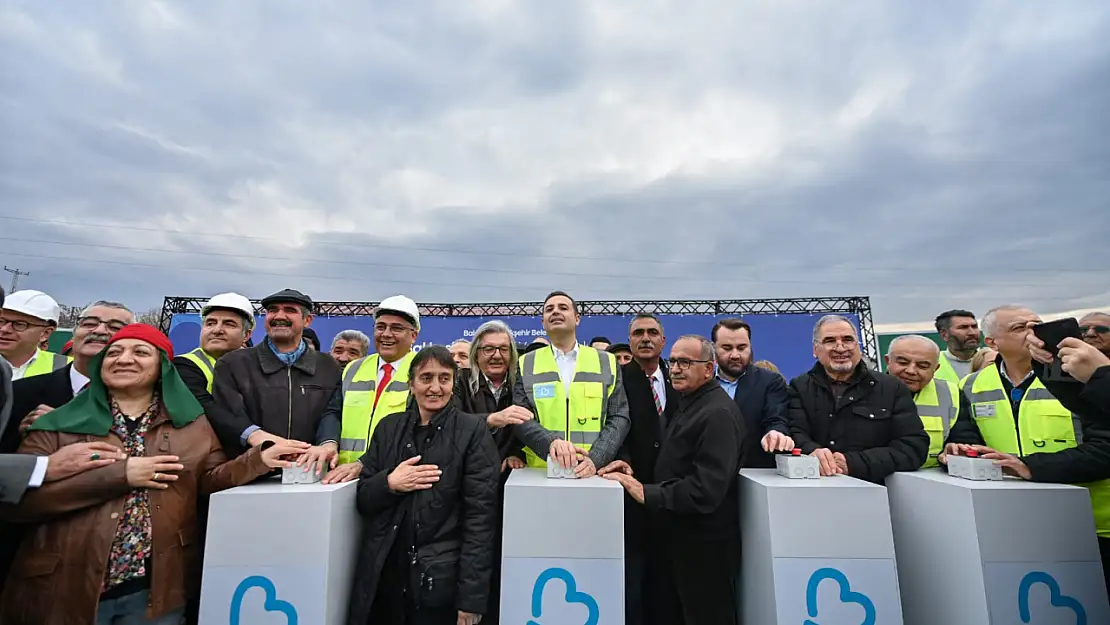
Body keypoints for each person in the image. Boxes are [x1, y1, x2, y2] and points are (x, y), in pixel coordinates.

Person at [0, 324, 303, 624]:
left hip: (156, 592)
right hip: (62, 592)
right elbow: (18, 504)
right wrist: (120, 476)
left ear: (162, 368)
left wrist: (258, 459)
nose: (124, 359)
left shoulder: (191, 425)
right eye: (114, 352)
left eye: (140, 352)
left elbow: (208, 480)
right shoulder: (57, 423)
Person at [946, 305, 1110, 591]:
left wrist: (1029, 465)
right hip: (1014, 523)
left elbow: (1104, 448)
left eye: (1037, 325)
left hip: (1092, 523)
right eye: (1019, 328)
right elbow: (967, 437)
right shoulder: (971, 385)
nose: (1032, 333)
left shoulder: (1074, 378)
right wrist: (958, 450)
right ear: (992, 342)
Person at [346, 346, 499, 625]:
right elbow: (364, 498)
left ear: (454, 383)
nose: (435, 387)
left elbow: (481, 521)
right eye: (426, 378)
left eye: (444, 378)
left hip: (440, 584)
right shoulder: (388, 427)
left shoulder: (472, 433)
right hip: (386, 578)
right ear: (411, 384)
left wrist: (471, 600)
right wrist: (390, 482)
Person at [604, 335, 744, 625]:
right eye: (673, 361)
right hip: (678, 542)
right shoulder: (688, 404)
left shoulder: (717, 414)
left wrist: (648, 493)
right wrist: (633, 471)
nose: (676, 369)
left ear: (709, 369)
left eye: (685, 362)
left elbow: (706, 490)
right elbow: (674, 463)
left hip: (703, 551)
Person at [598, 313, 678, 625]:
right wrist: (625, 460)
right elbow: (611, 426)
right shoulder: (617, 378)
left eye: (652, 332)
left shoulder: (677, 376)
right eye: (638, 333)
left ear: (663, 340)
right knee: (633, 579)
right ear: (630, 341)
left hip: (672, 494)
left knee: (668, 578)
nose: (645, 338)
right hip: (630, 493)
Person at [451, 321, 531, 625]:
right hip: (464, 483)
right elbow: (452, 424)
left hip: (506, 486)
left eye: (502, 348)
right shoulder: (460, 380)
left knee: (501, 556)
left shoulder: (520, 384)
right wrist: (492, 419)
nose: (496, 355)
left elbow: (531, 426)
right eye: (488, 349)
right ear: (476, 353)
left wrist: (516, 452)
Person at [788, 315, 928, 482]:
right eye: (830, 341)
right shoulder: (799, 387)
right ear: (815, 350)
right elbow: (795, 433)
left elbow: (913, 447)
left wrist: (853, 463)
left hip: (876, 492)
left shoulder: (891, 388)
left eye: (848, 340)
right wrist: (811, 451)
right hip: (813, 488)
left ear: (858, 346)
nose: (840, 348)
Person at [512, 291, 629, 476]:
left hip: (592, 472)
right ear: (543, 322)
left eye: (563, 308)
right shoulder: (526, 363)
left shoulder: (606, 362)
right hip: (540, 472)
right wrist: (551, 443)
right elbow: (520, 417)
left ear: (577, 319)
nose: (555, 312)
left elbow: (619, 416)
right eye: (549, 309)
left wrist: (596, 459)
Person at [210, 289, 336, 457]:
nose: (279, 316)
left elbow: (332, 412)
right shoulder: (232, 363)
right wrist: (264, 443)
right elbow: (229, 416)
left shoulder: (328, 366)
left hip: (310, 472)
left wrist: (327, 444)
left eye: (290, 310)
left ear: (307, 320)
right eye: (273, 310)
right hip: (250, 472)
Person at [311, 295, 421, 482]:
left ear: (414, 335)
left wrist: (365, 463)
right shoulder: (354, 369)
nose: (386, 334)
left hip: (394, 477)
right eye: (381, 327)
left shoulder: (422, 370)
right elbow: (334, 412)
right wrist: (328, 442)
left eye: (396, 328)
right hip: (344, 476)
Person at [5, 301, 136, 450]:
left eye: (115, 327)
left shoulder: (151, 403)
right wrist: (22, 435)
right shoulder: (18, 392)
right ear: (74, 335)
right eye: (89, 324)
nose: (99, 330)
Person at [711, 318, 792, 468]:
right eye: (727, 348)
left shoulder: (770, 382)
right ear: (714, 348)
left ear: (750, 347)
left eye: (742, 348)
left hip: (752, 473)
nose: (735, 355)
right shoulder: (701, 382)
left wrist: (775, 433)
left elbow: (776, 418)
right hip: (707, 475)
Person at [884, 335, 970, 468]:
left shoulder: (951, 393)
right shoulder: (862, 390)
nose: (911, 371)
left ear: (935, 369)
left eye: (922, 366)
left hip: (932, 479)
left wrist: (954, 450)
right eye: (903, 363)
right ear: (887, 361)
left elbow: (965, 438)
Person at [176, 293, 254, 396]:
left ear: (246, 335)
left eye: (229, 324)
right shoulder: (183, 365)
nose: (217, 330)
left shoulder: (257, 369)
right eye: (210, 323)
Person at [0, 289, 68, 381]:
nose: (4, 329)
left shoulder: (65, 367)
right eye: (1, 321)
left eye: (19, 324)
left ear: (45, 333)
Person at [934, 310, 981, 385]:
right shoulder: (932, 364)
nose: (972, 333)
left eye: (974, 327)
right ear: (944, 334)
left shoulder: (994, 359)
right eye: (963, 328)